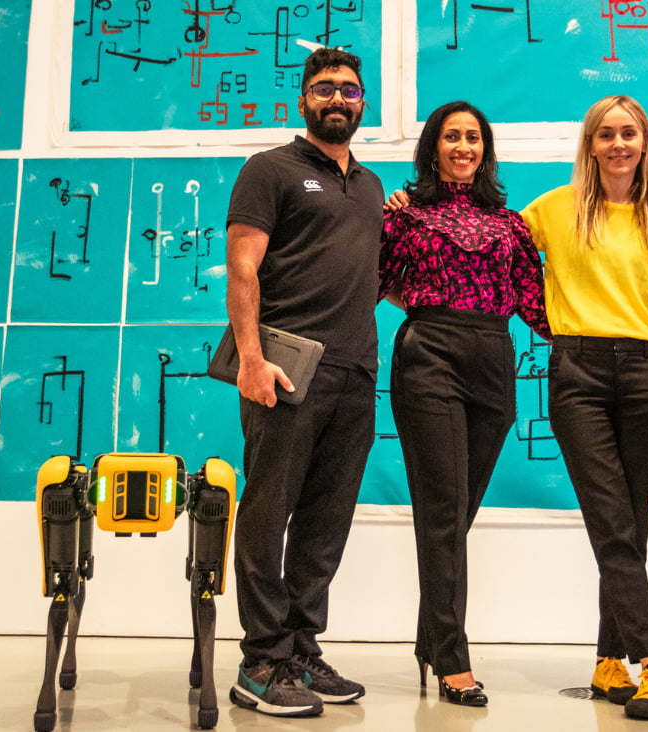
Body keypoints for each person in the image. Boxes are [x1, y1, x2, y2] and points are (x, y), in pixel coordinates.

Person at [224, 47, 382, 718]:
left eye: (349, 90)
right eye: (325, 90)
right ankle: (261, 659)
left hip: (356, 374)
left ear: (363, 104)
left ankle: (300, 649)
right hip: (288, 369)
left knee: (325, 523)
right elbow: (242, 269)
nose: (338, 100)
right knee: (268, 515)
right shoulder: (270, 170)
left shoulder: (372, 186)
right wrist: (252, 362)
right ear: (303, 102)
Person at [379, 100, 551, 707]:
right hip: (429, 356)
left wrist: (610, 347)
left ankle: (430, 635)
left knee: (454, 512)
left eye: (472, 138)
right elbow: (366, 281)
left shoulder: (510, 224)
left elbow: (536, 304)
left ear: (485, 150)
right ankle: (453, 655)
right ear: (432, 148)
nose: (463, 147)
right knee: (445, 508)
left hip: (493, 361)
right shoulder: (404, 215)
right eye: (451, 137)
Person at [520, 95, 648, 721]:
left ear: (644, 145)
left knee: (630, 521)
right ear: (590, 145)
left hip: (645, 372)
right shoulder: (556, 210)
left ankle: (609, 659)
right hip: (578, 372)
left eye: (629, 134)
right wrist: (411, 204)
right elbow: (488, 239)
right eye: (606, 134)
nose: (619, 144)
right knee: (611, 518)